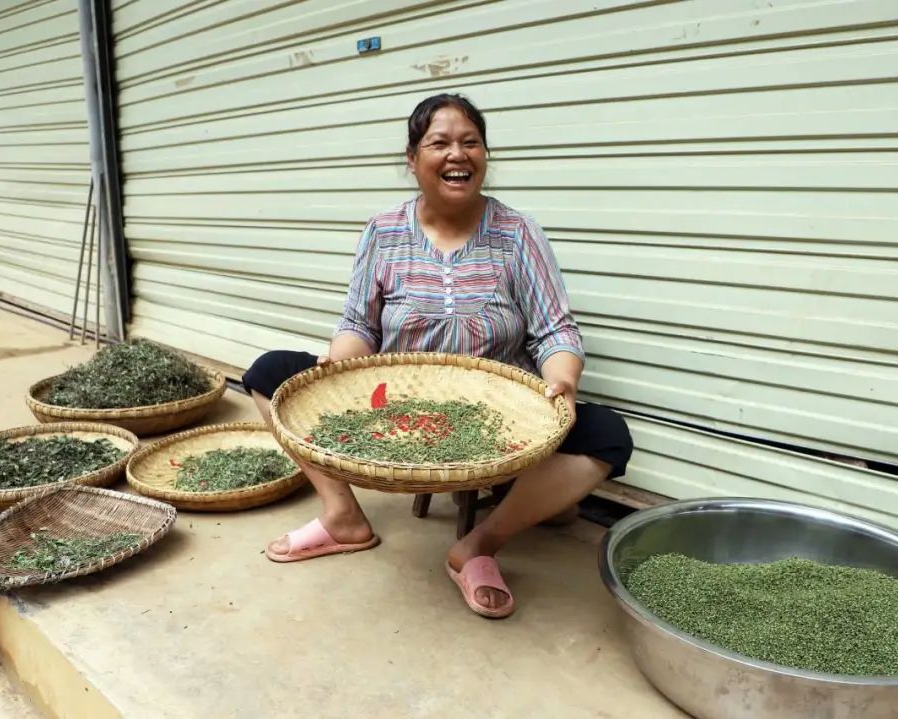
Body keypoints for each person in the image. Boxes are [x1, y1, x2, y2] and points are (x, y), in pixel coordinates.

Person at [243, 93, 633, 619]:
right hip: (398, 413)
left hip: (498, 419)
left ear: (485, 157)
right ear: (412, 159)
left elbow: (554, 330)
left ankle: (477, 545)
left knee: (607, 435)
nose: (458, 154)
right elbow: (359, 323)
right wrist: (338, 368)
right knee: (271, 373)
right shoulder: (383, 231)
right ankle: (342, 517)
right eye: (440, 143)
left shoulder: (518, 234)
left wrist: (562, 379)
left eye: (471, 143)